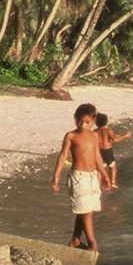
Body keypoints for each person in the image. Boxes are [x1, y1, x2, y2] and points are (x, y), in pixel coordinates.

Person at [52, 103, 109, 251]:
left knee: (88, 209)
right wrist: (56, 176)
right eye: (80, 122)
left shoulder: (94, 135)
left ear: (94, 120)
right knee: (86, 212)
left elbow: (97, 156)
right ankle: (92, 243)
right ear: (75, 119)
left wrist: (105, 175)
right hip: (79, 178)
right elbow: (63, 156)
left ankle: (75, 240)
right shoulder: (71, 136)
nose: (83, 125)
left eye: (87, 122)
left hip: (92, 177)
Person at [94, 111, 132, 190]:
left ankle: (98, 184)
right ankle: (113, 183)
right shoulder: (107, 130)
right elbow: (114, 139)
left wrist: (117, 136)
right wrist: (125, 136)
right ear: (106, 122)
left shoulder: (95, 131)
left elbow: (110, 137)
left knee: (100, 168)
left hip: (99, 151)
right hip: (107, 151)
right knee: (112, 166)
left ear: (96, 123)